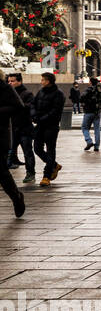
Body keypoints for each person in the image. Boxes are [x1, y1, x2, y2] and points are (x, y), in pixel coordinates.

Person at [31, 73, 64, 187]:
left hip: (51, 125)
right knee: (37, 148)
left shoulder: (58, 94)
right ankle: (54, 165)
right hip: (40, 124)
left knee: (50, 150)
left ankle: (46, 176)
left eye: (43, 80)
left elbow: (56, 111)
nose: (41, 82)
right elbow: (33, 105)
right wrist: (34, 115)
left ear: (49, 81)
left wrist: (42, 119)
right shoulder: (41, 91)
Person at [0, 78, 27, 217]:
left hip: (0, 135)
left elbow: (18, 106)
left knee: (1, 171)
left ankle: (16, 197)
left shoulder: (4, 87)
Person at [6, 74, 35, 184]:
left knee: (27, 152)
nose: (10, 83)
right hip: (12, 129)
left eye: (12, 81)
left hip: (24, 128)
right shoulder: (7, 94)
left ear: (19, 81)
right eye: (8, 81)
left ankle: (30, 173)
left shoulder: (27, 93)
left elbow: (29, 107)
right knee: (9, 152)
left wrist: (17, 106)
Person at [81, 75, 101, 151]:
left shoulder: (88, 89)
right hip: (97, 112)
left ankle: (89, 141)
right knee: (97, 129)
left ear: (90, 82)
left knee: (84, 128)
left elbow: (81, 97)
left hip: (88, 111)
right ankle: (97, 146)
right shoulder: (100, 89)